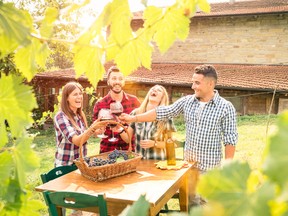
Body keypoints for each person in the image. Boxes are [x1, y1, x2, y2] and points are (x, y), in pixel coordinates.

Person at [119, 64, 238, 171]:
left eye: (197, 83)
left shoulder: (225, 107)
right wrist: (133, 118)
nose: (193, 86)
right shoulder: (187, 101)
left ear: (210, 84)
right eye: (193, 82)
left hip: (210, 170)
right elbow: (162, 112)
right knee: (190, 197)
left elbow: (230, 139)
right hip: (188, 168)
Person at [54, 81, 104, 167]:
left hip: (80, 164)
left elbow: (84, 135)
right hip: (66, 166)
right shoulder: (61, 117)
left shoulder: (80, 115)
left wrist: (96, 131)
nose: (79, 97)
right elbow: (77, 141)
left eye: (80, 94)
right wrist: (92, 128)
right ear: (67, 98)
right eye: (75, 94)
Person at [120, 85, 176, 160]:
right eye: (152, 89)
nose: (154, 91)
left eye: (159, 90)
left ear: (162, 98)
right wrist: (118, 129)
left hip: (158, 163)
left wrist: (154, 144)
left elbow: (172, 144)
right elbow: (127, 139)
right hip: (140, 162)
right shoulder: (136, 113)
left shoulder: (166, 117)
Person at [93, 66, 141, 153]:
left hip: (130, 151)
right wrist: (98, 130)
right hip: (107, 151)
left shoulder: (134, 101)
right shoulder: (100, 104)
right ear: (108, 81)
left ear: (124, 81)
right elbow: (95, 131)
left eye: (120, 79)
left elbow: (141, 126)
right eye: (114, 78)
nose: (117, 82)